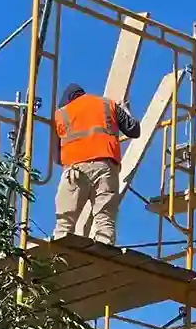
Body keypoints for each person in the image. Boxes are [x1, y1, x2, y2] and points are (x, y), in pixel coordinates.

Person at [52, 83, 141, 245]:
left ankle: (59, 254)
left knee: (64, 222)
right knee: (104, 219)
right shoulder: (108, 105)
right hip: (105, 166)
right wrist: (126, 109)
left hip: (74, 169)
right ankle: (104, 249)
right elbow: (134, 130)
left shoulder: (61, 113)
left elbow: (57, 158)